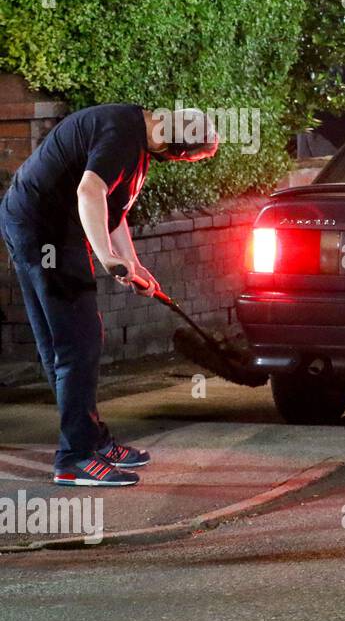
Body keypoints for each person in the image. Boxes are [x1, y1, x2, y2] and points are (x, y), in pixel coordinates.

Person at [0, 105, 219, 485]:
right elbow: (90, 191)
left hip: (36, 224)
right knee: (78, 343)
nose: (176, 162)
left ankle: (89, 440)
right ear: (174, 145)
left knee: (63, 345)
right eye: (184, 157)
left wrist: (132, 265)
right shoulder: (120, 138)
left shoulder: (134, 136)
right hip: (45, 233)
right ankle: (75, 459)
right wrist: (106, 259)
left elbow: (113, 212)